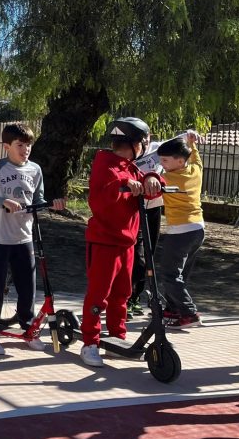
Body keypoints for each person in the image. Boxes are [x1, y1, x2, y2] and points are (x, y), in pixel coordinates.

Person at [0, 123, 65, 356]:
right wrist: (2, 202)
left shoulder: (35, 169)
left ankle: (29, 328)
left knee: (27, 286)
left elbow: (38, 198)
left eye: (28, 145)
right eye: (20, 145)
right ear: (7, 147)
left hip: (24, 236)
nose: (25, 150)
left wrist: (52, 205)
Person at [78, 117, 162, 368]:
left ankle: (117, 336)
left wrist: (151, 178)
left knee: (122, 294)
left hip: (126, 241)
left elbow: (149, 183)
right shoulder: (107, 164)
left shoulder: (130, 165)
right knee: (98, 294)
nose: (146, 146)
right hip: (105, 241)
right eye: (144, 142)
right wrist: (126, 183)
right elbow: (101, 198)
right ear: (135, 143)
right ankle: (90, 342)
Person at [157, 132, 204, 329]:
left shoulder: (168, 179)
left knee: (169, 274)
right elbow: (196, 159)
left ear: (179, 160)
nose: (162, 164)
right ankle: (173, 310)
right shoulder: (195, 171)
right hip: (198, 229)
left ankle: (189, 313)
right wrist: (192, 144)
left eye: (165, 160)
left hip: (180, 231)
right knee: (180, 274)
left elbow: (151, 183)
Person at [128, 135, 164, 315]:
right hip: (135, 209)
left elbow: (177, 143)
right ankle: (127, 297)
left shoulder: (157, 149)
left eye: (146, 137)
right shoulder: (129, 155)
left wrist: (189, 135)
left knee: (150, 253)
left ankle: (135, 297)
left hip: (153, 207)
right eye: (140, 138)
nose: (144, 142)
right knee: (137, 256)